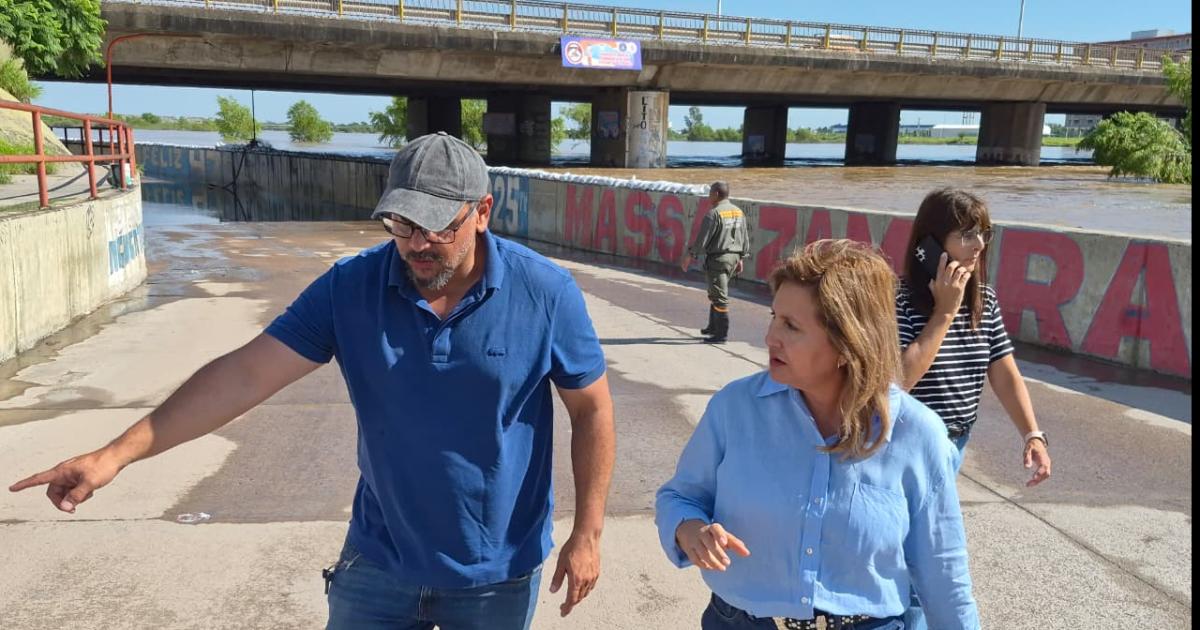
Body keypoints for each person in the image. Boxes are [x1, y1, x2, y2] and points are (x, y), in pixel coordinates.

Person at [9, 132, 617, 630]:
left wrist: (586, 533)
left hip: (496, 575)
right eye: (401, 225)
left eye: (437, 227)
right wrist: (114, 457)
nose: (416, 245)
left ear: (483, 212)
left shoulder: (544, 293)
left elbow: (591, 410)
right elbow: (242, 375)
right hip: (379, 561)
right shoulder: (351, 288)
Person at [656, 239, 980, 630]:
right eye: (774, 317)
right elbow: (679, 497)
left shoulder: (916, 433)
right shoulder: (734, 408)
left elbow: (943, 574)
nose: (770, 337)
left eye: (791, 326)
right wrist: (690, 530)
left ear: (848, 343)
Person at [896, 187, 1051, 630]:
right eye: (966, 234)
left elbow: (1003, 371)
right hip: (910, 449)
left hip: (956, 441)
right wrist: (942, 313)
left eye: (984, 233)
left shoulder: (984, 299)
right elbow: (898, 381)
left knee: (925, 560)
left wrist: (1033, 434)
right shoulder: (899, 300)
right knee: (922, 563)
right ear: (929, 245)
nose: (980, 245)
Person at [680, 181, 750, 344]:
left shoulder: (714, 214)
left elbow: (702, 239)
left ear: (717, 194)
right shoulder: (738, 212)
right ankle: (712, 327)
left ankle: (721, 334)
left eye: (710, 193)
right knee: (715, 290)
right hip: (733, 258)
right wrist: (741, 258)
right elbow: (744, 237)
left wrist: (690, 255)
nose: (709, 196)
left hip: (719, 259)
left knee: (719, 296)